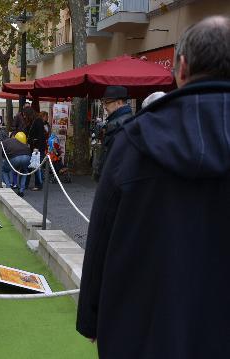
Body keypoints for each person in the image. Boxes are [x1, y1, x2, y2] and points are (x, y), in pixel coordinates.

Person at [77, 16, 230, 359]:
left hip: (147, 331)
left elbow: (101, 237)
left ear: (182, 67)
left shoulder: (133, 141)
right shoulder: (131, 139)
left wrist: (92, 317)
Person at [93, 85, 133, 181]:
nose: (104, 106)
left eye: (107, 102)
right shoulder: (127, 118)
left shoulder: (117, 123)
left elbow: (110, 156)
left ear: (118, 102)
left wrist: (101, 175)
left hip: (113, 179)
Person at [0, 131, 31, 197]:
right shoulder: (24, 143)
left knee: (4, 170)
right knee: (24, 172)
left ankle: (8, 187)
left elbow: (2, 153)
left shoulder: (7, 141)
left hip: (14, 158)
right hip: (27, 157)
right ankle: (21, 190)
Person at [25, 107, 46, 190]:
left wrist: (37, 147)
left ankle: (38, 185)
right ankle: (26, 184)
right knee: (31, 167)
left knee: (37, 167)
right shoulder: (35, 121)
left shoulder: (38, 121)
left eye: (25, 115)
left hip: (37, 148)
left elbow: (40, 136)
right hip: (34, 147)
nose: (24, 117)